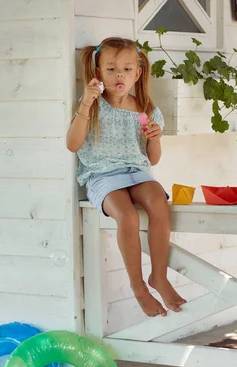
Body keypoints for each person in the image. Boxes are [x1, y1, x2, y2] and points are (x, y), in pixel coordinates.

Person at [66, 37, 186, 317]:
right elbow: (72, 144)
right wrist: (85, 102)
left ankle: (160, 277)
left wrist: (155, 139)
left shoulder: (145, 109)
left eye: (127, 69)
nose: (119, 75)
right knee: (128, 217)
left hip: (137, 172)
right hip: (103, 174)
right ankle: (138, 286)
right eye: (111, 69)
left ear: (138, 73)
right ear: (98, 73)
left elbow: (152, 158)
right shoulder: (93, 105)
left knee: (158, 201)